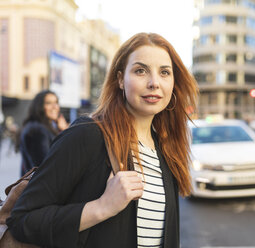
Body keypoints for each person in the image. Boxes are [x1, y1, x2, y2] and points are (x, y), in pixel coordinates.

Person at [7, 33, 199, 248]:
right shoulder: (88, 134)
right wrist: (102, 207)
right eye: (140, 71)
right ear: (120, 80)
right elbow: (22, 220)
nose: (154, 83)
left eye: (164, 72)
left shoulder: (165, 148)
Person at [15, 90, 68, 176]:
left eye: (56, 102)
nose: (55, 107)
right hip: (42, 186)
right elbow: (45, 166)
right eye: (48, 103)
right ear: (39, 107)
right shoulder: (38, 130)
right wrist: (65, 132)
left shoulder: (38, 127)